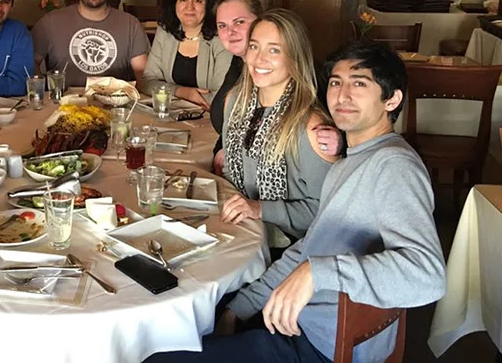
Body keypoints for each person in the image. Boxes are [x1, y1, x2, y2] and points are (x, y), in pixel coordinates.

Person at [150, 40, 446, 362]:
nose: (342, 95)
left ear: (391, 99)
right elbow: (310, 249)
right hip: (299, 321)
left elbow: (427, 275)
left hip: (320, 345)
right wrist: (242, 306)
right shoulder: (349, 162)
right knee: (189, 310)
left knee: (157, 352)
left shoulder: (394, 166)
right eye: (335, 82)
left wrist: (317, 273)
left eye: (359, 83)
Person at [219, 9, 340, 243]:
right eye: (254, 46)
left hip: (288, 248)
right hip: (238, 231)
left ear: (295, 58)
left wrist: (258, 209)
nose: (259, 59)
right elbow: (228, 176)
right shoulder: (234, 102)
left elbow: (324, 212)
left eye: (274, 50)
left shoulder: (311, 126)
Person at [32, 0, 150, 88]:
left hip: (114, 103)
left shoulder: (131, 24)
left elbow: (143, 75)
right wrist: (42, 93)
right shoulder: (50, 22)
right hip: (64, 103)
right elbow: (30, 63)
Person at [142, 0, 231, 109]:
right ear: (174, 4)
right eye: (183, 0)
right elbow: (147, 82)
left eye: (198, 0)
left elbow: (221, 95)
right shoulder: (165, 33)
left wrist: (168, 91)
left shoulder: (221, 38)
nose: (190, 7)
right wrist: (183, 92)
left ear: (208, 6)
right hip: (171, 115)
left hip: (210, 118)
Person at [210, 0, 264, 173]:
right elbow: (230, 122)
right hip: (233, 172)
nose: (230, 32)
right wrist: (222, 148)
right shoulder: (238, 62)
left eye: (239, 22)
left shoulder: (274, 69)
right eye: (222, 26)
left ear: (261, 22)